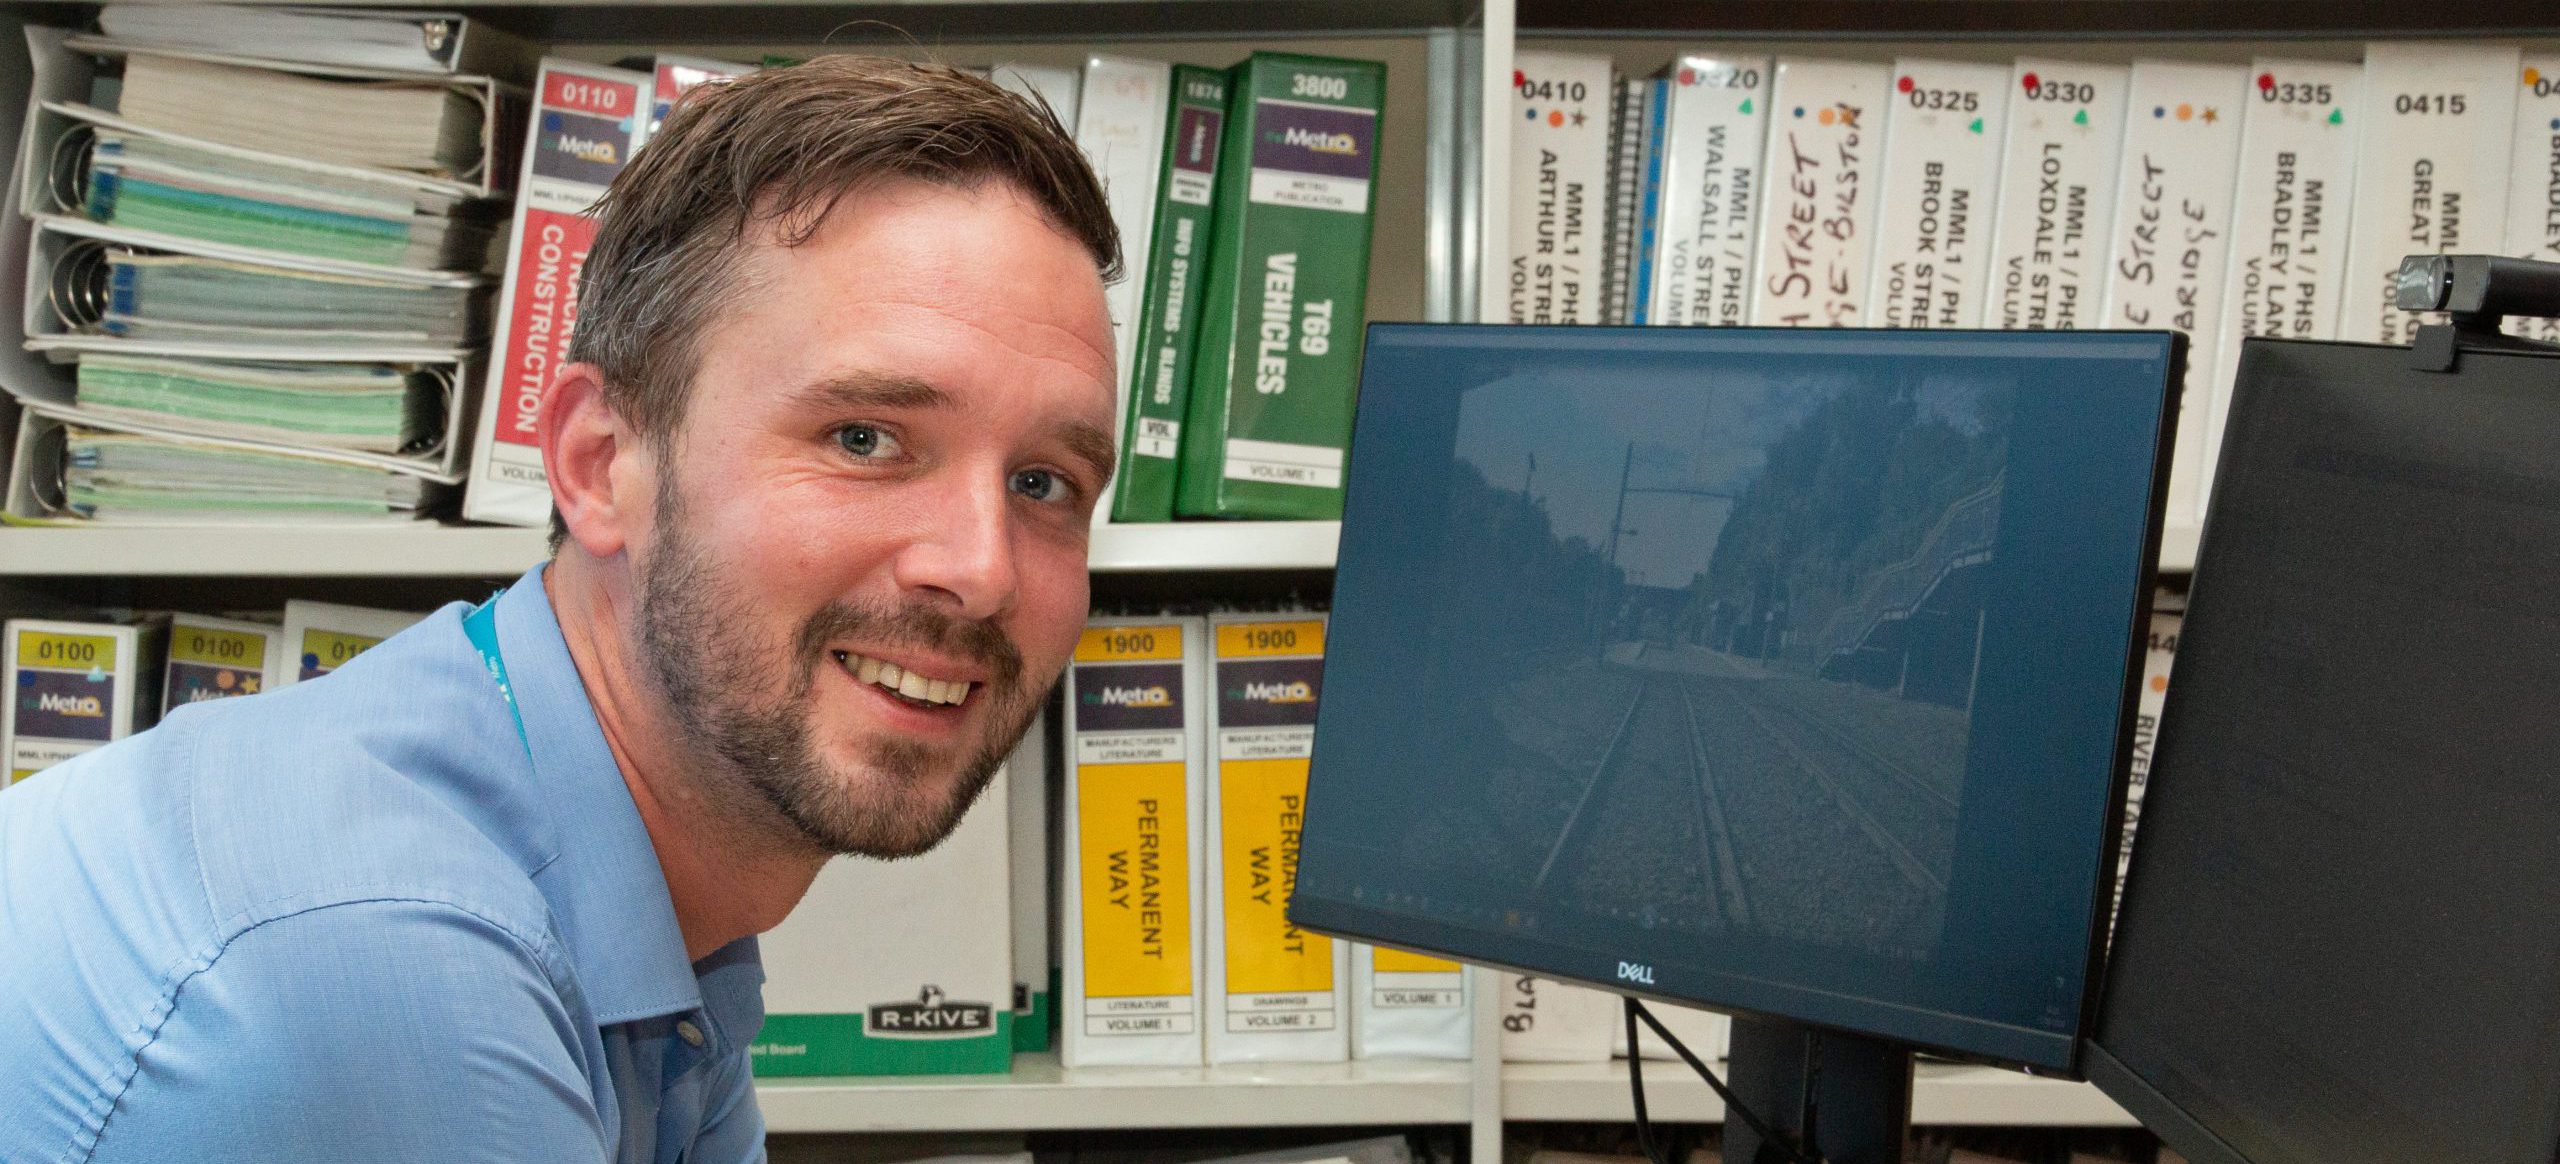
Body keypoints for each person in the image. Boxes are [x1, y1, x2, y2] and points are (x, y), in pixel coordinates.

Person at [0, 56, 1120, 1162]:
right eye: (864, 440)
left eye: (1044, 484)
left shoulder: (637, 897)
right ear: (598, 466)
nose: (981, 569)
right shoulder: (389, 966)